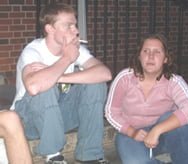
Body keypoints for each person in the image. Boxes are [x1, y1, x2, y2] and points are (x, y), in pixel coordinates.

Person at [10, 2, 112, 164]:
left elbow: (105, 74)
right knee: (44, 84)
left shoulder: (73, 49)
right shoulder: (33, 51)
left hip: (59, 117)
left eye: (75, 25)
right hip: (28, 121)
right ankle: (53, 155)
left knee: (95, 82)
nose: (76, 31)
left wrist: (61, 76)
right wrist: (66, 59)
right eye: (68, 26)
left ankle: (90, 154)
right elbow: (34, 87)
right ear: (50, 29)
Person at [105, 33, 188, 164]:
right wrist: (132, 132)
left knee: (179, 121)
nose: (150, 56)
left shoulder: (173, 81)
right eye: (146, 51)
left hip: (163, 136)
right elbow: (111, 112)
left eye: (157, 52)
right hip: (132, 136)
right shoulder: (125, 78)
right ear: (139, 56)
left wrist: (157, 130)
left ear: (166, 58)